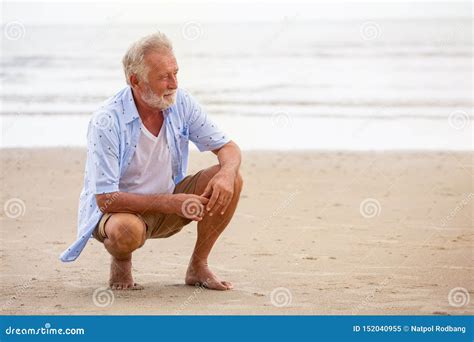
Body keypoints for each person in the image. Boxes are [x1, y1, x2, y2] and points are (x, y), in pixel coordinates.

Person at [60, 32, 243, 291]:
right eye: (163, 77)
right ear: (136, 81)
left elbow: (228, 148)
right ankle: (121, 263)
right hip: (118, 214)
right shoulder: (107, 121)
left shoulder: (181, 102)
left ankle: (198, 266)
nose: (174, 83)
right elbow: (106, 198)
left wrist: (225, 174)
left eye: (175, 73)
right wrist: (170, 203)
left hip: (169, 205)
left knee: (231, 176)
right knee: (126, 230)